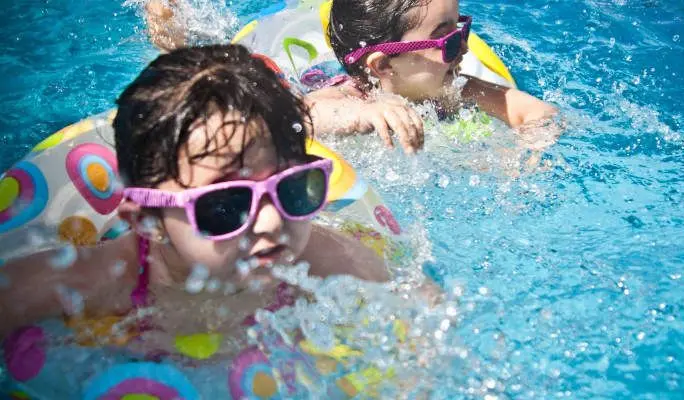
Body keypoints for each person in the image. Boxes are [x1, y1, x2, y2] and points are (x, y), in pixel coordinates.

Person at [0, 44, 389, 342]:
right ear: (148, 221)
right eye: (226, 205)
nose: (272, 221)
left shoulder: (329, 263)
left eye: (292, 188)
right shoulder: (92, 283)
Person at [143, 0, 560, 157]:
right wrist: (363, 115)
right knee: (192, 76)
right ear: (382, 67)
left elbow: (535, 112)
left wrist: (529, 150)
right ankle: (167, 24)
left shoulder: (455, 87)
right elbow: (297, 117)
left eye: (462, 30)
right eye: (447, 41)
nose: (463, 48)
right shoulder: (352, 96)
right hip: (295, 79)